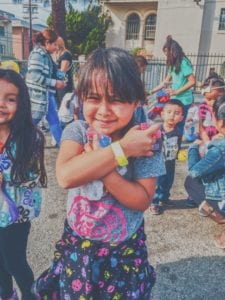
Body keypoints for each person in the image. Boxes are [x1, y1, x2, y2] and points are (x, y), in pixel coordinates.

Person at [32, 47, 166, 299]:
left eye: (115, 99)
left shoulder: (146, 139)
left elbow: (142, 199)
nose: (103, 110)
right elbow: (66, 176)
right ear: (81, 98)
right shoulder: (78, 131)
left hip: (123, 250)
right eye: (93, 98)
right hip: (78, 245)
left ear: (136, 100)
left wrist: (101, 169)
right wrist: (122, 149)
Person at [0, 69, 47, 300]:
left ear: (22, 103)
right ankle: (6, 294)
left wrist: (5, 177)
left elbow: (34, 176)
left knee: (14, 260)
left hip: (17, 213)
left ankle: (30, 294)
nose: (2, 104)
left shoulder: (31, 136)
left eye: (10, 99)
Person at [185, 95, 225, 249]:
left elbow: (195, 171)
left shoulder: (220, 148)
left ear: (220, 122)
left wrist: (193, 148)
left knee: (190, 182)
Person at [26, 29, 66, 146]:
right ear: (47, 42)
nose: (56, 47)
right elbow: (34, 76)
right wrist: (55, 83)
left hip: (46, 94)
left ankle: (62, 144)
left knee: (53, 120)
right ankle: (17, 141)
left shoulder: (45, 55)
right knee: (34, 120)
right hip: (39, 95)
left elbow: (50, 73)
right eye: (54, 44)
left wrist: (61, 75)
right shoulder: (37, 55)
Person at [151, 35, 196, 133]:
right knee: (170, 123)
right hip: (174, 99)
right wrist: (151, 91)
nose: (167, 56)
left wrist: (176, 92)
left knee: (178, 124)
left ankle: (177, 146)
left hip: (183, 100)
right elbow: (165, 81)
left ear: (174, 52)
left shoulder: (183, 63)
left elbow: (192, 81)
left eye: (168, 54)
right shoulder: (173, 64)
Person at [150, 99, 184, 215]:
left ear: (181, 118)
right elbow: (152, 143)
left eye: (176, 113)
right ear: (162, 114)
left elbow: (178, 144)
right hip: (158, 161)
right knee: (158, 182)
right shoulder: (158, 130)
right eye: (169, 112)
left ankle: (164, 199)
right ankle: (154, 202)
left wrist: (178, 154)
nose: (172, 116)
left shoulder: (178, 132)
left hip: (170, 161)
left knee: (168, 181)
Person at [54, 36, 74, 106]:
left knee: (64, 105)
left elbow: (62, 72)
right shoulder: (58, 54)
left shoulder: (66, 54)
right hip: (58, 84)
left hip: (65, 85)